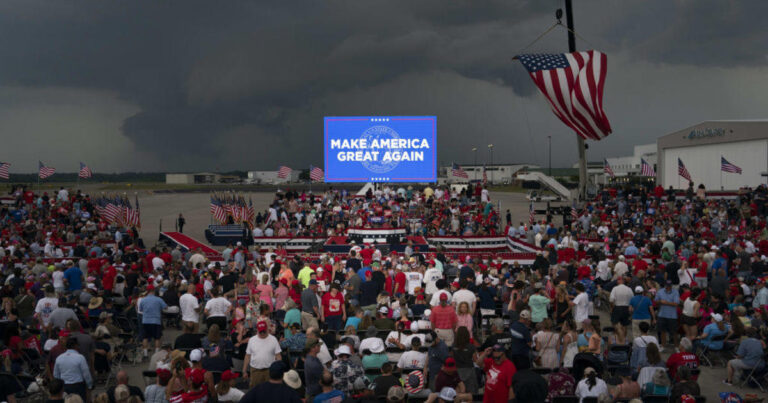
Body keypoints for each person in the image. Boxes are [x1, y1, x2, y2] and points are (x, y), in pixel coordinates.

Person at [244, 320, 283, 387]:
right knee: (255, 391)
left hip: (269, 371)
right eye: (260, 331)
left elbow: (278, 356)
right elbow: (247, 356)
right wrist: (244, 370)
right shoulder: (252, 340)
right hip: (255, 371)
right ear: (257, 330)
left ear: (267, 330)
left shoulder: (273, 339)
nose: (262, 333)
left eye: (264, 331)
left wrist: (279, 370)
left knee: (269, 391)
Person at [53, 337, 93, 401]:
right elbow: (86, 373)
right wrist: (89, 385)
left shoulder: (59, 358)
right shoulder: (80, 357)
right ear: (75, 345)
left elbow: (56, 375)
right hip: (78, 386)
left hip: (64, 386)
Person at [139, 285, 168, 357]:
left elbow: (140, 309)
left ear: (147, 291)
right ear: (154, 291)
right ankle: (156, 353)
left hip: (145, 321)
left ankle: (145, 354)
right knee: (157, 338)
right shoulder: (159, 299)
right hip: (156, 321)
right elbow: (166, 307)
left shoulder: (143, 300)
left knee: (145, 337)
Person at [654, 281, 680, 350]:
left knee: (674, 332)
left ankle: (676, 346)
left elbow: (676, 304)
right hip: (662, 314)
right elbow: (656, 301)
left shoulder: (675, 292)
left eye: (669, 286)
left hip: (672, 315)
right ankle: (663, 346)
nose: (668, 287)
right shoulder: (660, 291)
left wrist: (666, 303)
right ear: (665, 285)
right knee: (662, 331)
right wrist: (660, 301)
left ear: (671, 286)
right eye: (667, 286)